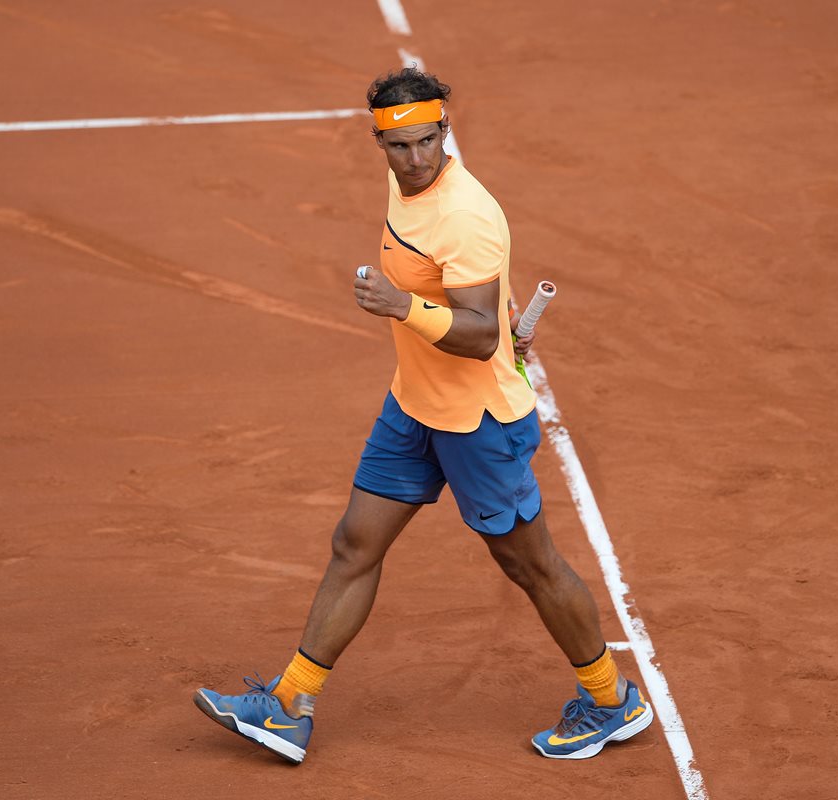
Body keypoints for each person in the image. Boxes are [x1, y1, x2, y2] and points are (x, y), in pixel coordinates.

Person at [193, 67, 653, 762]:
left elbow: (478, 338)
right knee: (355, 543)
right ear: (381, 143)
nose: (416, 159)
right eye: (400, 146)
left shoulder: (462, 213)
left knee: (532, 568)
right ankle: (290, 705)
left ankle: (612, 700)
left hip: (478, 424)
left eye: (428, 142)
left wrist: (401, 305)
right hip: (414, 407)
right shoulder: (406, 178)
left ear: (447, 132)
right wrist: (488, 306)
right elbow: (479, 297)